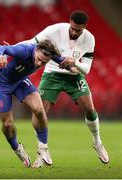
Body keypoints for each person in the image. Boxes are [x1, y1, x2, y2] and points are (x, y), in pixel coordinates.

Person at [23, 10, 109, 167]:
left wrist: (74, 62)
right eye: (73, 28)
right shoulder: (54, 30)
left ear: (85, 27)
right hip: (51, 74)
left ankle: (97, 142)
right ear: (69, 22)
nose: (75, 32)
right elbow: (32, 41)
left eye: (79, 30)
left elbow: (87, 69)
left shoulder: (89, 39)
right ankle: (42, 149)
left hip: (74, 76)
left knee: (90, 109)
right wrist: (9, 49)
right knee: (39, 111)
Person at [0, 39, 68, 168]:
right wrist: (0, 55)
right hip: (1, 83)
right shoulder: (24, 51)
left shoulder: (49, 55)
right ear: (36, 50)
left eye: (43, 62)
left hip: (20, 81)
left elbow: (63, 60)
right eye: (38, 59)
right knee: (8, 124)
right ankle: (17, 148)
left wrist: (72, 65)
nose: (39, 63)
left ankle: (43, 147)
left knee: (39, 109)